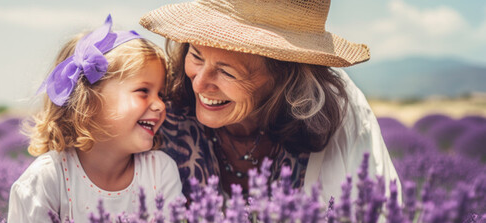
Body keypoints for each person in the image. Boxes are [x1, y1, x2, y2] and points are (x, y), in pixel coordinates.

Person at [139, 0, 401, 204]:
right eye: (195, 56)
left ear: (284, 80)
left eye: (228, 72)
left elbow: (377, 222)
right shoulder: (158, 103)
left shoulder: (340, 109)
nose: (199, 83)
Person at [7, 15, 183, 223]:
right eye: (143, 91)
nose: (159, 104)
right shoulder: (45, 181)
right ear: (89, 100)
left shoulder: (159, 172)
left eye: (162, 94)